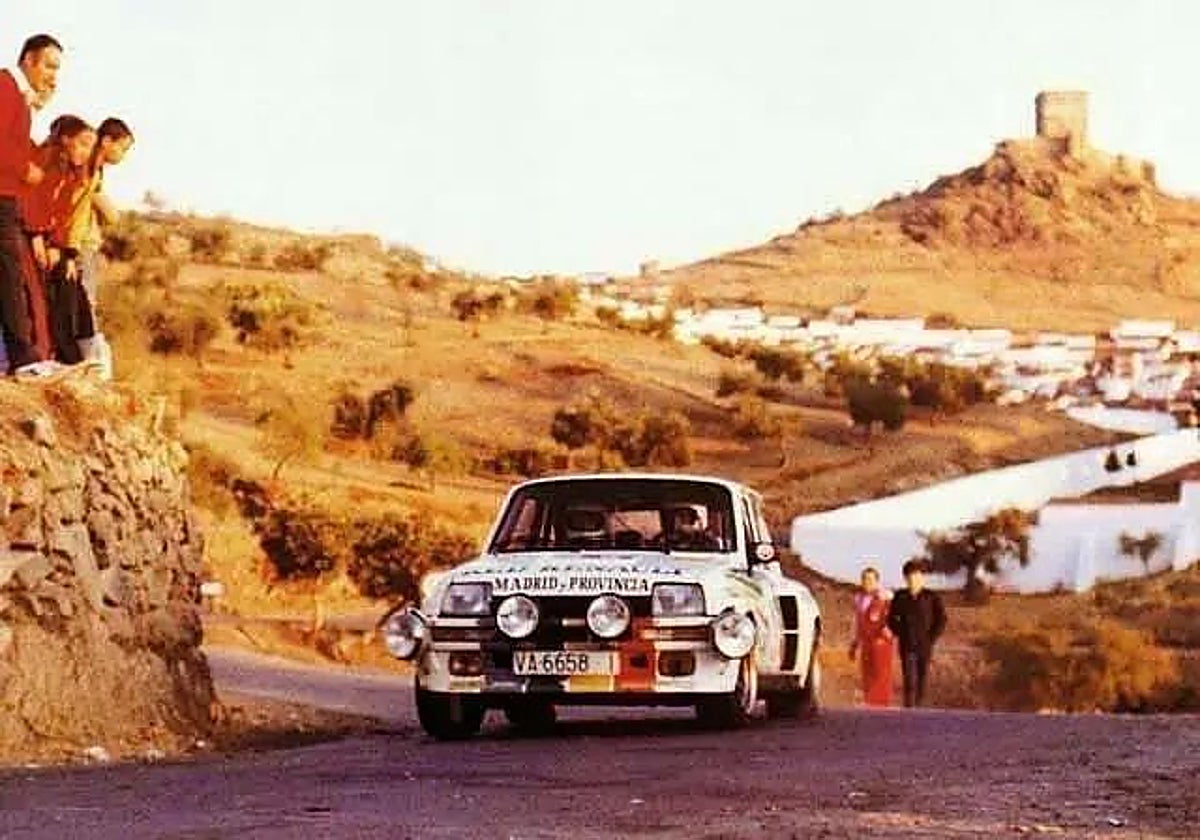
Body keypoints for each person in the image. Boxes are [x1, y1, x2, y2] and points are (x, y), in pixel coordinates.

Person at [0, 34, 62, 373]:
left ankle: (20, 355)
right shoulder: (5, 87)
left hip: (6, 195)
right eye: (49, 66)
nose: (53, 76)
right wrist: (25, 169)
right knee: (9, 276)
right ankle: (22, 357)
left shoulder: (17, 95)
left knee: (9, 275)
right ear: (28, 60)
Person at [25, 115, 98, 365]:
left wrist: (62, 250)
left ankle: (69, 356)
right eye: (83, 144)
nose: (86, 152)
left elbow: (62, 214)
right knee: (35, 298)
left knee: (66, 290)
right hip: (30, 233)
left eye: (90, 147)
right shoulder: (47, 162)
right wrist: (37, 235)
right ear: (66, 140)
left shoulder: (72, 174)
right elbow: (34, 199)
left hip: (51, 240)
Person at [887, 559, 947, 708]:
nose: (913, 580)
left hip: (924, 645)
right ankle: (908, 709)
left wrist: (932, 637)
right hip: (906, 644)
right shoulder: (900, 596)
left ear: (922, 577)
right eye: (909, 577)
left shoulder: (931, 597)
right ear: (905, 578)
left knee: (922, 678)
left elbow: (941, 619)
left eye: (916, 576)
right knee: (909, 679)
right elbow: (890, 618)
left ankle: (920, 710)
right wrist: (900, 632)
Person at [848, 565, 894, 707]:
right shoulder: (858, 599)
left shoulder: (885, 597)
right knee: (867, 673)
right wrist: (853, 644)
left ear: (877, 581)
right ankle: (870, 706)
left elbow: (893, 617)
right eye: (864, 579)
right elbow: (856, 622)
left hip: (881, 643)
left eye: (870, 579)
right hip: (866, 642)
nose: (867, 582)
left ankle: (882, 706)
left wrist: (887, 633)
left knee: (881, 675)